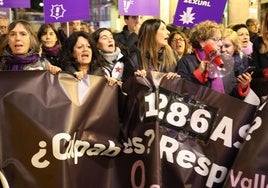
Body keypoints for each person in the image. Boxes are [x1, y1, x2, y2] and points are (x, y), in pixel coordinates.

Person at [177, 20, 251, 99]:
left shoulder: (224, 61)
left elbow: (231, 94)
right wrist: (198, 73)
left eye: (220, 39)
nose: (220, 44)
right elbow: (181, 91)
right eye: (215, 39)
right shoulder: (187, 61)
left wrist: (243, 86)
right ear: (201, 42)